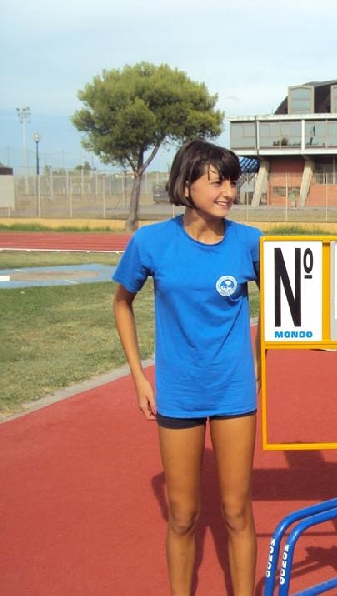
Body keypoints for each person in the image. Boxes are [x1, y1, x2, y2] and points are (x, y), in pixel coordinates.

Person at [112, 140, 262, 596]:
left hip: (234, 390)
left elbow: (295, 298)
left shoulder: (250, 242)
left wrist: (260, 359)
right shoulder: (150, 242)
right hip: (178, 391)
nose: (228, 192)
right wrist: (139, 378)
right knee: (182, 516)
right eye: (217, 182)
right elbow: (122, 303)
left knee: (237, 513)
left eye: (233, 182)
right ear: (186, 184)